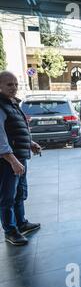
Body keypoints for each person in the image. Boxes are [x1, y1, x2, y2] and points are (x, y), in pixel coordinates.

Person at [0, 71, 41, 246]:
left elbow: (15, 129)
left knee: (19, 193)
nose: (14, 88)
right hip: (8, 160)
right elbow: (0, 137)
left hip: (19, 155)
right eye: (9, 84)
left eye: (16, 84)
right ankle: (10, 230)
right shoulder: (1, 105)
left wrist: (30, 143)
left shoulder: (12, 104)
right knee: (7, 197)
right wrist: (12, 160)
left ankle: (21, 223)